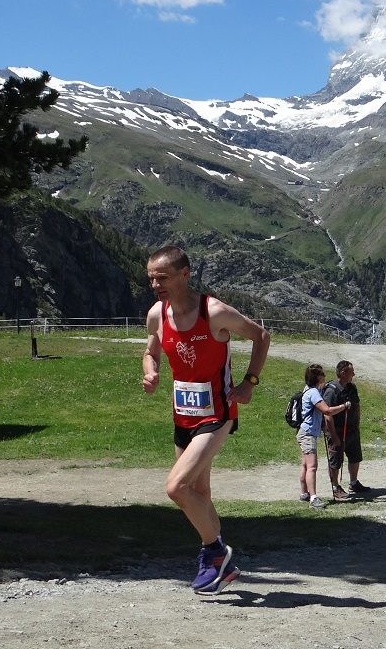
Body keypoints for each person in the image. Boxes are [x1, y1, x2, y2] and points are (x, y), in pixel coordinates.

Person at [142, 245, 270, 595]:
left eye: (162, 277)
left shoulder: (213, 312)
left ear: (185, 274)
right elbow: (150, 351)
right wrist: (150, 372)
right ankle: (221, 567)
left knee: (177, 487)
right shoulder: (157, 314)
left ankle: (214, 552)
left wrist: (249, 383)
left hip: (218, 412)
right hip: (183, 415)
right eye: (151, 278)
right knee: (199, 492)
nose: (156, 284)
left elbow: (261, 336)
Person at [297, 363, 352, 509]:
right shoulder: (314, 392)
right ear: (317, 377)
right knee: (312, 466)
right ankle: (313, 498)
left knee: (305, 464)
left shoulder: (307, 389)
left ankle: (304, 493)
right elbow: (327, 411)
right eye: (322, 374)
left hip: (305, 432)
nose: (325, 377)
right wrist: (344, 406)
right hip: (308, 433)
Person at [323, 360, 370, 500]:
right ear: (343, 373)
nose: (354, 374)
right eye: (351, 372)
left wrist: (357, 423)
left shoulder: (352, 387)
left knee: (355, 457)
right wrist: (334, 436)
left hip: (352, 430)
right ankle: (335, 486)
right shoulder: (332, 390)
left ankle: (354, 483)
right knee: (335, 460)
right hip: (337, 431)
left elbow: (357, 405)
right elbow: (327, 415)